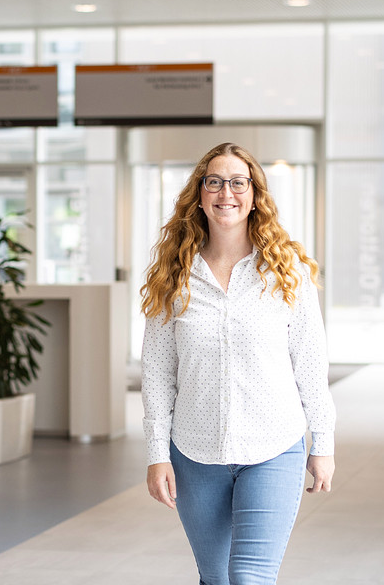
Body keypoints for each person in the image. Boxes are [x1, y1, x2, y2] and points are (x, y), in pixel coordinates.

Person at [140, 142, 336, 585]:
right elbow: (156, 375)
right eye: (214, 181)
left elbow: (310, 363)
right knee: (216, 577)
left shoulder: (286, 273)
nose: (225, 192)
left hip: (274, 446)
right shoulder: (174, 276)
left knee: (249, 577)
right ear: (200, 193)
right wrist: (157, 455)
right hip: (194, 452)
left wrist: (323, 442)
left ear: (254, 194)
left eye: (238, 182)